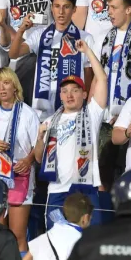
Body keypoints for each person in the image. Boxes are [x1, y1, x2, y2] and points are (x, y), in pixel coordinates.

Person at [34, 39, 108, 226]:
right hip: (57, 191)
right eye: (65, 91)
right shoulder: (50, 121)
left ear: (84, 94)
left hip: (86, 188)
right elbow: (38, 158)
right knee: (57, 239)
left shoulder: (92, 113)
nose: (69, 95)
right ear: (60, 96)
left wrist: (87, 51)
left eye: (75, 90)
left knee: (91, 239)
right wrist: (40, 138)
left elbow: (102, 79)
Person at [8, 0, 93, 120]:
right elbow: (13, 54)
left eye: (66, 7)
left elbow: (89, 74)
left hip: (72, 109)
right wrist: (21, 31)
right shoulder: (40, 34)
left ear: (74, 9)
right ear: (51, 8)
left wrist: (85, 103)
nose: (61, 12)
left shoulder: (85, 38)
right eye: (57, 6)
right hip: (42, 111)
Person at [0, 67, 39, 252]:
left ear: (15, 86)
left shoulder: (28, 113)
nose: (2, 88)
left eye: (6, 83)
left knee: (17, 235)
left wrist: (28, 160)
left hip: (19, 175)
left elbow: (38, 146)